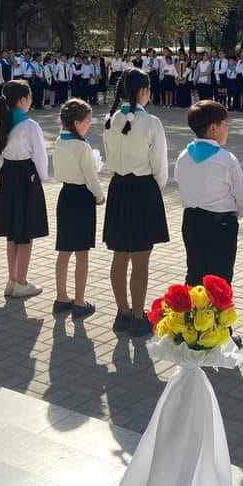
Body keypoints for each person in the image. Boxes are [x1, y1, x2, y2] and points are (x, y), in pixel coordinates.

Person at [103, 68, 169, 337]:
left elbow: (109, 161)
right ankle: (139, 316)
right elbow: (160, 165)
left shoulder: (110, 120)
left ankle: (122, 312)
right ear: (143, 91)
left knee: (120, 256)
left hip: (118, 188)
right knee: (141, 259)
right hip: (143, 189)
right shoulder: (151, 122)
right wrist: (156, 190)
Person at [175, 100, 243, 290]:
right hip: (221, 225)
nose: (227, 129)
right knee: (219, 282)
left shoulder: (183, 156)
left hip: (192, 221)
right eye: (225, 125)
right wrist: (235, 215)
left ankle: (192, 309)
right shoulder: (226, 159)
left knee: (194, 275)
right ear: (213, 128)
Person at [0, 79, 48, 296]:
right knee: (26, 232)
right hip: (26, 177)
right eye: (30, 97)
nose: (31, 101)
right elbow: (40, 156)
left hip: (7, 175)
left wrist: (8, 168)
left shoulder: (1, 123)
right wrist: (42, 178)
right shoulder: (30, 125)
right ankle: (21, 282)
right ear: (23, 100)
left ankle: (12, 280)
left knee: (12, 233)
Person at [52, 99, 103, 319]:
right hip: (82, 197)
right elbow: (91, 177)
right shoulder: (82, 146)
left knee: (64, 250)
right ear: (76, 122)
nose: (89, 124)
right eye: (87, 120)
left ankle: (61, 297)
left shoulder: (59, 141)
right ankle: (80, 301)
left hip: (65, 195)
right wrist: (99, 196)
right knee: (82, 252)